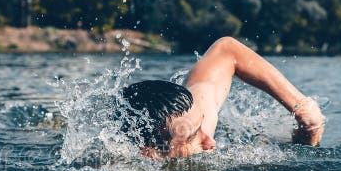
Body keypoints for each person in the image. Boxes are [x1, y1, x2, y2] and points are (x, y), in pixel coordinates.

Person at [120, 36, 325, 159]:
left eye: (201, 126)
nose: (211, 143)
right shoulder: (120, 166)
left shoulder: (195, 113)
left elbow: (227, 49)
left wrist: (303, 110)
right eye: (191, 137)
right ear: (148, 153)